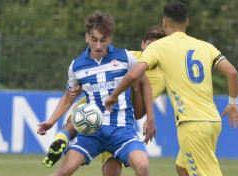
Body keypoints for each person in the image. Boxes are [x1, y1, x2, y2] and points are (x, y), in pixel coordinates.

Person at [104, 1, 238, 176]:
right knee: (182, 167)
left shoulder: (158, 47)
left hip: (192, 124)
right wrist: (233, 103)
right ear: (187, 22)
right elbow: (232, 72)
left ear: (165, 22)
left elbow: (133, 75)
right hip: (212, 121)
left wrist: (114, 95)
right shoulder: (205, 46)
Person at [37, 11, 156, 176]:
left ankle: (65, 136)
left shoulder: (126, 58)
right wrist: (51, 121)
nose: (99, 46)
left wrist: (150, 118)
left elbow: (144, 83)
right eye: (94, 40)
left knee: (143, 167)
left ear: (110, 39)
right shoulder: (76, 66)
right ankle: (63, 137)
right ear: (87, 38)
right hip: (92, 131)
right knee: (64, 171)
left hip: (122, 130)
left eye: (103, 40)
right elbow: (67, 97)